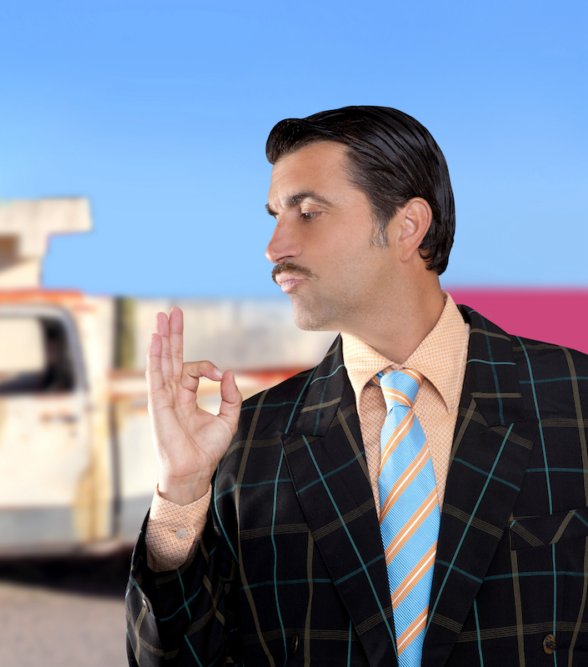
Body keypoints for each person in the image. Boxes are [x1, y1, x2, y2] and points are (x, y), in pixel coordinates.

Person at [125, 106, 588, 666]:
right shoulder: (245, 443)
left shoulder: (575, 399)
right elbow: (175, 659)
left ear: (406, 226)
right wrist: (181, 493)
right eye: (274, 216)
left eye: (308, 213)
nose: (274, 248)